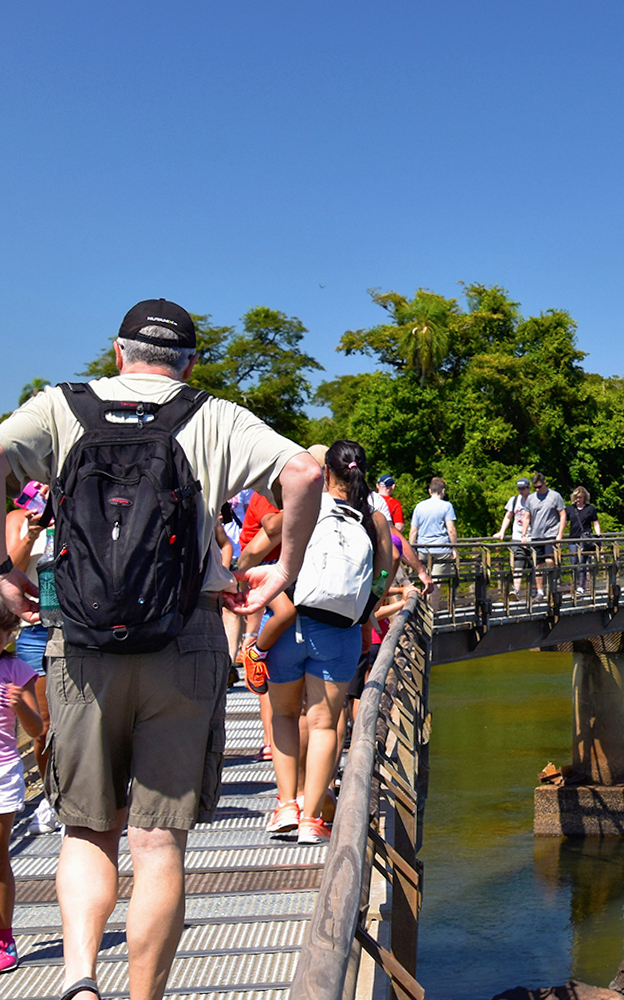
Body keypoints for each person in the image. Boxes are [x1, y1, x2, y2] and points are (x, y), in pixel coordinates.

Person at [0, 297, 323, 1000]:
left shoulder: (61, 406)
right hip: (186, 641)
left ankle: (81, 979)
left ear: (117, 353)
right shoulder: (214, 415)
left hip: (82, 649)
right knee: (157, 843)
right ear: (190, 362)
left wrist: (6, 572)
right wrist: (285, 568)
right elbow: (304, 474)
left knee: (87, 831)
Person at [264, 440, 392, 845]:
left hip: (290, 625)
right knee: (323, 726)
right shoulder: (375, 518)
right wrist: (365, 608)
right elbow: (385, 573)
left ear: (326, 470)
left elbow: (271, 538)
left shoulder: (309, 504)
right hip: (339, 630)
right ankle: (311, 818)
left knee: (284, 716)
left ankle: (286, 803)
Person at [5, 483, 57, 832]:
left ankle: (91, 797)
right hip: (36, 628)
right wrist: (32, 534)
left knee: (89, 721)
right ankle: (53, 800)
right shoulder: (15, 517)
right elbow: (9, 570)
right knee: (44, 726)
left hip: (80, 625)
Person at [0, 601, 44, 973]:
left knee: (0, 856)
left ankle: (3, 936)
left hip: (3, 773)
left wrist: (21, 708)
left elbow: (36, 731)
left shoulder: (17, 671)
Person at [521, 474, 565, 600]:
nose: (537, 490)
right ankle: (540, 591)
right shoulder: (531, 498)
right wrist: (524, 534)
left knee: (550, 560)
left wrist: (559, 535)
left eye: (540, 486)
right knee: (538, 564)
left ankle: (553, 585)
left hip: (551, 534)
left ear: (545, 483)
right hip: (536, 535)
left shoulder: (555, 496)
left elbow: (562, 515)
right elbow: (527, 516)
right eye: (535, 487)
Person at [494, 478, 537, 597]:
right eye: (519, 488)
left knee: (535, 565)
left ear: (529, 488)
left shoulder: (535, 500)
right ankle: (516, 591)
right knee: (518, 563)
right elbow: (508, 516)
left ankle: (535, 591)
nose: (521, 491)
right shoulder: (514, 500)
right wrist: (502, 531)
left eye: (523, 488)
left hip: (532, 537)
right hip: (517, 537)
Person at [410, 477, 457, 574]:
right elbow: (451, 530)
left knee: (426, 580)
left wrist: (413, 549)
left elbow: (413, 531)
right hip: (441, 548)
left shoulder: (419, 506)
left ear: (429, 491)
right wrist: (454, 548)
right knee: (437, 582)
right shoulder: (447, 506)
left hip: (423, 548)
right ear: (443, 491)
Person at [563, 486, 603, 595]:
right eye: (576, 497)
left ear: (585, 497)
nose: (578, 499)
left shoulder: (590, 509)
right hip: (573, 539)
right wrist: (559, 534)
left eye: (580, 497)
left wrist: (598, 537)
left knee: (582, 562)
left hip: (585, 539)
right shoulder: (570, 509)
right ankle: (574, 585)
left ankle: (581, 586)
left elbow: (595, 523)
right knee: (573, 562)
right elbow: (564, 523)